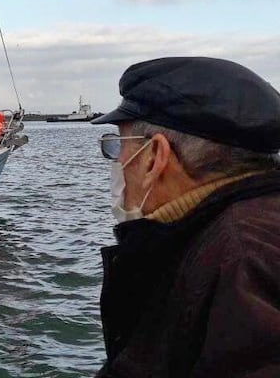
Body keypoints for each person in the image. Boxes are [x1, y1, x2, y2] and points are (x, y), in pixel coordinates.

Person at [90, 57, 280, 377]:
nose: (118, 160)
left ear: (155, 157)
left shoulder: (240, 263)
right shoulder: (228, 232)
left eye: (118, 145)